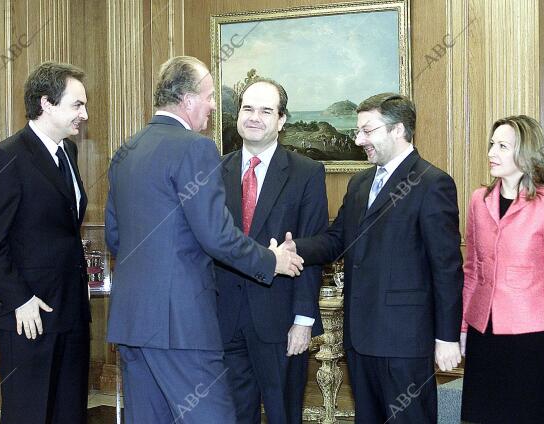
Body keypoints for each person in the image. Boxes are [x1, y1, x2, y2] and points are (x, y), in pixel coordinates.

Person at [104, 56, 304, 424]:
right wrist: (270, 260)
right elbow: (216, 236)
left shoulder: (125, 151)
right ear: (188, 99)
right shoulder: (195, 148)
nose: (214, 105)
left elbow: (115, 238)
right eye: (210, 96)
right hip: (181, 325)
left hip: (132, 321)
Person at [284, 93, 463, 423]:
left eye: (367, 130)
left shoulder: (432, 184)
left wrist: (447, 337)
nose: (358, 139)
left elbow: (447, 268)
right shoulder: (360, 183)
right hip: (360, 338)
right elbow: (338, 239)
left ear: (397, 130)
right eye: (357, 130)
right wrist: (297, 250)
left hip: (405, 343)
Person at [0, 62, 91, 423]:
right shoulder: (7, 157)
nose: (84, 115)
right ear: (46, 104)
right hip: (30, 317)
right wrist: (20, 298)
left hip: (70, 312)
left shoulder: (67, 154)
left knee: (68, 413)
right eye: (77, 105)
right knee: (30, 414)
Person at [215, 78, 328, 424]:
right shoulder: (216, 170)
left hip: (281, 323)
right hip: (223, 319)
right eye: (248, 108)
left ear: (281, 120)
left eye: (266, 111)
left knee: (283, 415)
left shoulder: (306, 173)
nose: (254, 117)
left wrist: (304, 320)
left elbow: (311, 247)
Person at [460, 115, 544, 424]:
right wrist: (461, 326)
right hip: (483, 332)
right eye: (491, 144)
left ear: (526, 153)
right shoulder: (478, 200)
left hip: (532, 338)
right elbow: (472, 270)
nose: (491, 153)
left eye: (502, 146)